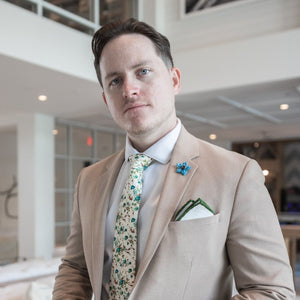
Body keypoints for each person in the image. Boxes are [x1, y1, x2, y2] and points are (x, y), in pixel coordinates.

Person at [53, 18, 295, 300]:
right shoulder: (90, 179)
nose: (129, 90)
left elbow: (271, 291)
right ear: (107, 99)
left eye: (142, 71)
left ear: (174, 80)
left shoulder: (236, 173)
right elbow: (76, 268)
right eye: (115, 80)